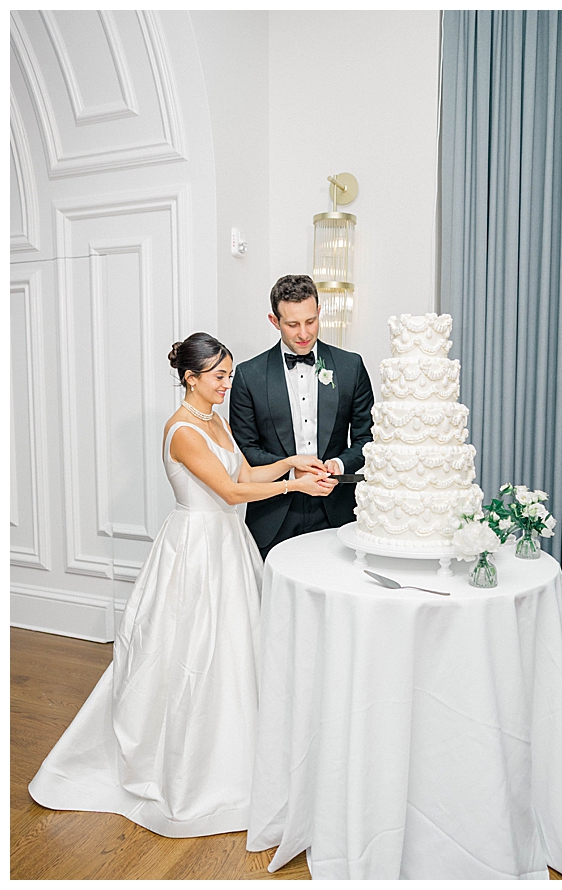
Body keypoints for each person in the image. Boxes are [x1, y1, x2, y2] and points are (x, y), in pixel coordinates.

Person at [28, 332, 336, 838]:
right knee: (192, 655)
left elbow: (246, 472)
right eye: (218, 377)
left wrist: (289, 463)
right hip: (195, 551)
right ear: (190, 378)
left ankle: (238, 752)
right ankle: (187, 769)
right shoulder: (184, 431)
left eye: (229, 375)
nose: (226, 385)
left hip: (227, 548)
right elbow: (232, 492)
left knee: (236, 653)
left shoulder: (211, 420)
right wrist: (297, 485)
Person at [229, 275, 374, 558]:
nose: (304, 333)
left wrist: (338, 464)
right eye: (292, 324)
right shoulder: (249, 375)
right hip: (273, 513)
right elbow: (246, 450)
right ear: (274, 321)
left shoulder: (350, 367)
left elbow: (368, 438)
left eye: (310, 321)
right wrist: (293, 471)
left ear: (319, 312)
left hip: (336, 511)